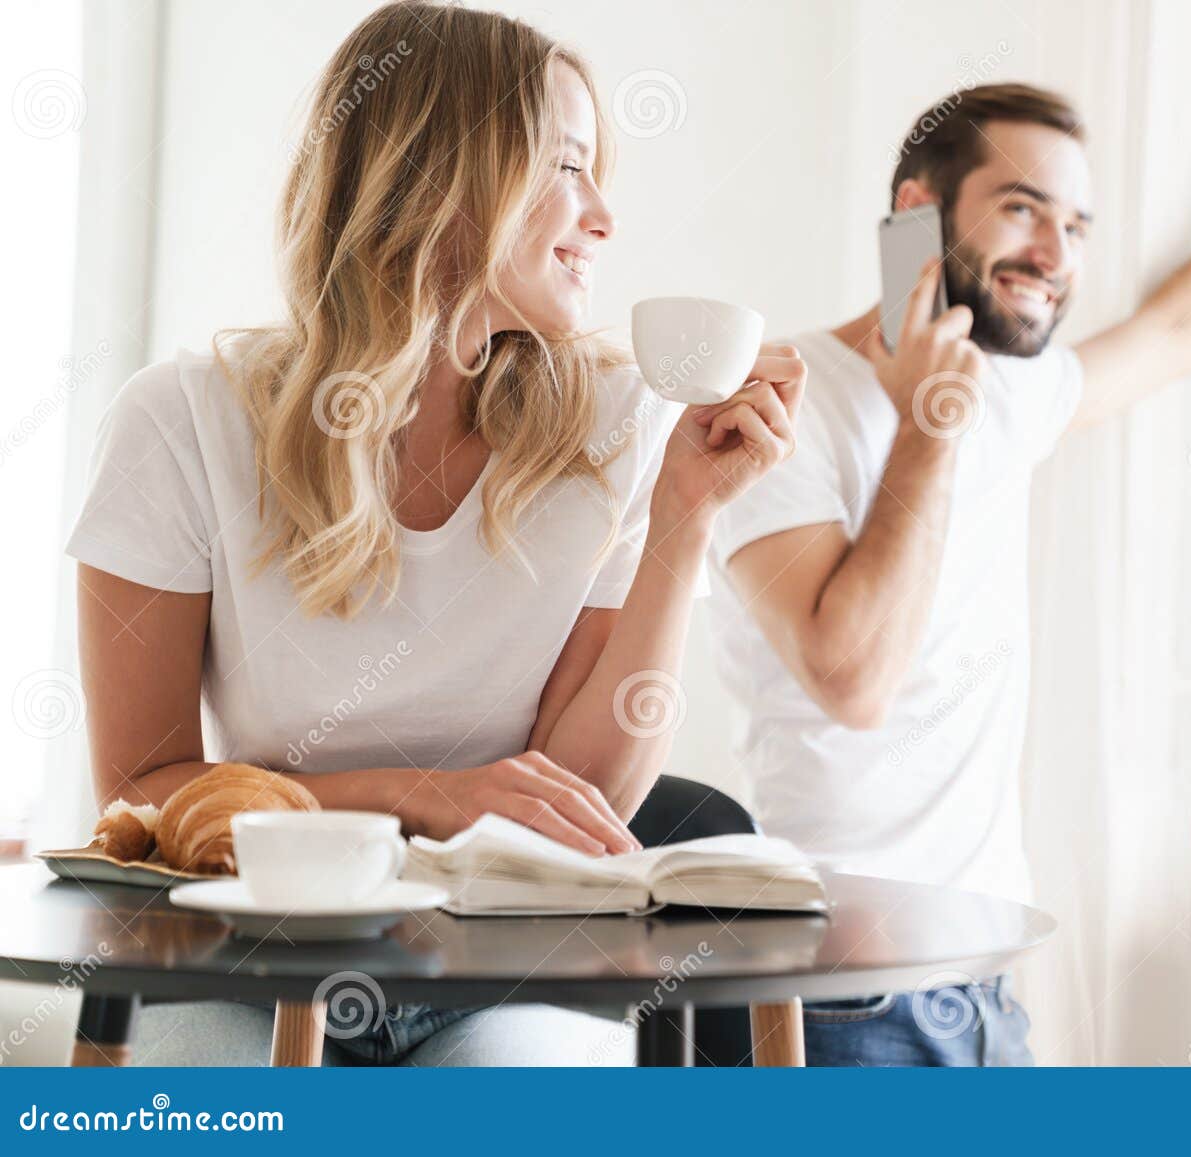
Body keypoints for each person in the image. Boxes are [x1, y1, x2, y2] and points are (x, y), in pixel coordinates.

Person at [66, 1, 804, 1066]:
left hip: (500, 966)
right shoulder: (182, 421)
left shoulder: (620, 422)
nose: (603, 217)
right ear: (440, 178)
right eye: (566, 166)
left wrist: (685, 516)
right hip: (249, 955)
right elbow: (137, 790)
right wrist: (417, 794)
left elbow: (583, 797)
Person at [705, 31, 1191, 1065]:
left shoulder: (1007, 395)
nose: (1058, 255)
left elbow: (1175, 331)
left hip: (984, 986)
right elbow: (851, 676)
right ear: (914, 215)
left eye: (1075, 224)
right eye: (1022, 207)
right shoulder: (777, 400)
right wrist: (929, 430)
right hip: (838, 999)